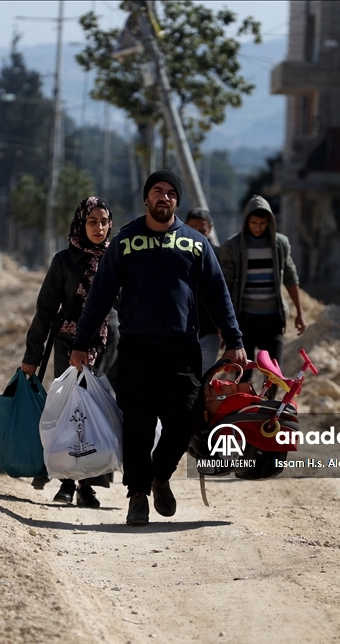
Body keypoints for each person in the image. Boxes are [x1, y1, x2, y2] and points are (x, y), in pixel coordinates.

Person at [70, 171, 246, 526]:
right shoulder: (125, 242)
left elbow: (217, 293)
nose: (163, 198)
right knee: (138, 424)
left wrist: (235, 339)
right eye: (156, 192)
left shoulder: (195, 244)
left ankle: (159, 475)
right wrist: (81, 343)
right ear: (146, 199)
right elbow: (100, 295)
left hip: (182, 349)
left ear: (177, 202)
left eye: (170, 193)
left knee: (184, 422)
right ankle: (137, 496)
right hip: (137, 350)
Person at [21, 196, 119, 508]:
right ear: (81, 223)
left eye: (104, 222)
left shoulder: (117, 259)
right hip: (67, 344)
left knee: (96, 414)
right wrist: (32, 357)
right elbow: (45, 310)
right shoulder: (64, 261)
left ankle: (88, 485)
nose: (99, 228)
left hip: (106, 347)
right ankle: (65, 480)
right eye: (93, 222)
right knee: (69, 412)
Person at [219, 195, 306, 397]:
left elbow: (291, 277)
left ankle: (268, 413)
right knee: (243, 371)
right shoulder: (232, 247)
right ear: (246, 221)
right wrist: (223, 324)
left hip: (273, 318)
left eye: (262, 223)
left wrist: (299, 313)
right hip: (244, 319)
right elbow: (225, 285)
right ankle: (244, 412)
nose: (258, 227)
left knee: (274, 373)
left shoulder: (280, 245)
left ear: (269, 223)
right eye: (253, 223)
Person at [185, 207, 223, 375]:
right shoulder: (174, 255)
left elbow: (224, 294)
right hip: (179, 331)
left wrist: (225, 327)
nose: (198, 236)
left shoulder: (219, 256)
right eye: (193, 230)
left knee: (202, 379)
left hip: (209, 331)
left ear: (210, 229)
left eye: (202, 231)